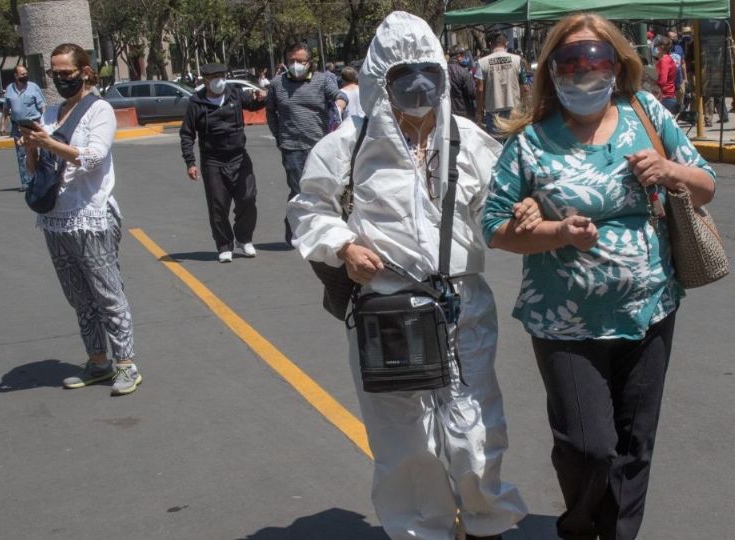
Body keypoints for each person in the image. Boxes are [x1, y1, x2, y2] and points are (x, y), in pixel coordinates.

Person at [287, 11, 529, 540]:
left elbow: (499, 211)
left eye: (429, 72)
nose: (419, 86)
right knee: (405, 439)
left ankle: (486, 521)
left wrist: (525, 217)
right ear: (380, 80)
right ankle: (424, 529)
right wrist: (344, 244)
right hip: (387, 310)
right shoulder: (346, 147)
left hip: (463, 306)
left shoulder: (467, 141)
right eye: (404, 75)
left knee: (476, 428)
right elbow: (308, 210)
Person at [482, 12, 716, 540]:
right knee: (589, 447)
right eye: (571, 61)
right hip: (564, 320)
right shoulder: (531, 142)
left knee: (636, 445)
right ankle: (579, 524)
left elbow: (706, 185)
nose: (584, 71)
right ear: (552, 70)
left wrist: (670, 170)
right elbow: (495, 227)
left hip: (650, 305)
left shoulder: (646, 113)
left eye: (596, 59)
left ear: (616, 64)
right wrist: (557, 232)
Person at [18, 43, 140, 396]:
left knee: (107, 293)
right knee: (78, 296)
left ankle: (126, 364)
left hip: (91, 216)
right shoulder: (54, 111)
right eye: (55, 74)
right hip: (56, 218)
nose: (60, 79)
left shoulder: (99, 110)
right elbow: (35, 169)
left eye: (66, 73)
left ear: (85, 72)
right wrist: (32, 145)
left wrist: (51, 143)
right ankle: (98, 360)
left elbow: (93, 158)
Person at [179, 63, 266, 263]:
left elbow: (254, 103)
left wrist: (261, 97)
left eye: (221, 75)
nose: (219, 80)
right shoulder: (197, 103)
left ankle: (244, 239)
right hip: (213, 161)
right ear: (205, 80)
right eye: (214, 77)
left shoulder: (234, 93)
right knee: (218, 205)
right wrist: (190, 162)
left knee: (248, 198)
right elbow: (187, 134)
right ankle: (224, 245)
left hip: (239, 156)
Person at [266, 42, 348, 245]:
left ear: (309, 63)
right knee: (298, 190)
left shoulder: (322, 81)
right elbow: (270, 111)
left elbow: (340, 94)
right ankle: (294, 231)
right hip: (291, 147)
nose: (295, 65)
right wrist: (278, 135)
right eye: (291, 61)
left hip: (320, 147)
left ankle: (318, 230)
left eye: (300, 61)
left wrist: (339, 103)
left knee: (322, 191)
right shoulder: (277, 84)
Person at [1, 64, 46, 190]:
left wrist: (44, 123)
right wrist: (3, 124)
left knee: (35, 152)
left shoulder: (33, 87)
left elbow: (42, 106)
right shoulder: (9, 89)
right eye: (22, 74)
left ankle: (38, 179)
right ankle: (26, 183)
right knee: (21, 154)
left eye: (26, 74)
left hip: (33, 124)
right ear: (16, 76)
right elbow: (6, 108)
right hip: (18, 126)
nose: (25, 76)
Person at [476, 33, 529, 138]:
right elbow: (524, 87)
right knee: (514, 143)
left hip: (493, 110)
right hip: (514, 108)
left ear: (491, 45)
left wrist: (479, 111)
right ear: (507, 44)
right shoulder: (517, 60)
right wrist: (526, 107)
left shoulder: (481, 62)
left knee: (496, 147)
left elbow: (480, 89)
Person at [448, 47, 478, 120]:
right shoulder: (464, 72)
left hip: (447, 112)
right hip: (463, 112)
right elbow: (472, 93)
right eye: (463, 56)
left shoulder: (442, 71)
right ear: (459, 56)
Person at [655, 36, 679, 114]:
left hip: (664, 97)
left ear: (661, 47)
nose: (656, 48)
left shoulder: (664, 61)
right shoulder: (669, 59)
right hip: (669, 95)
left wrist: (652, 81)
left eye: (657, 46)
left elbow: (662, 81)